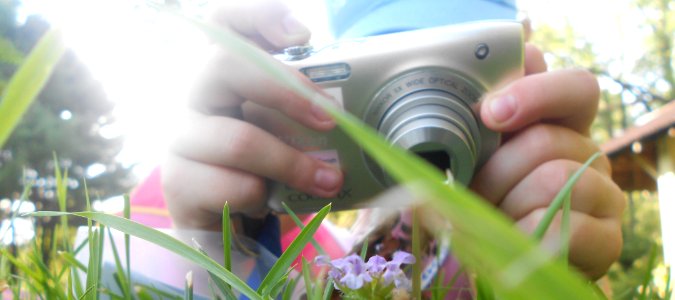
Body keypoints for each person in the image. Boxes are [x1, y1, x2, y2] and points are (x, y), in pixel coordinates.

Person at [156, 0, 624, 290]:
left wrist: (569, 272)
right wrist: (218, 246)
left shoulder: (539, 199)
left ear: (519, 56)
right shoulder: (326, 252)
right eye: (390, 58)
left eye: (460, 56)